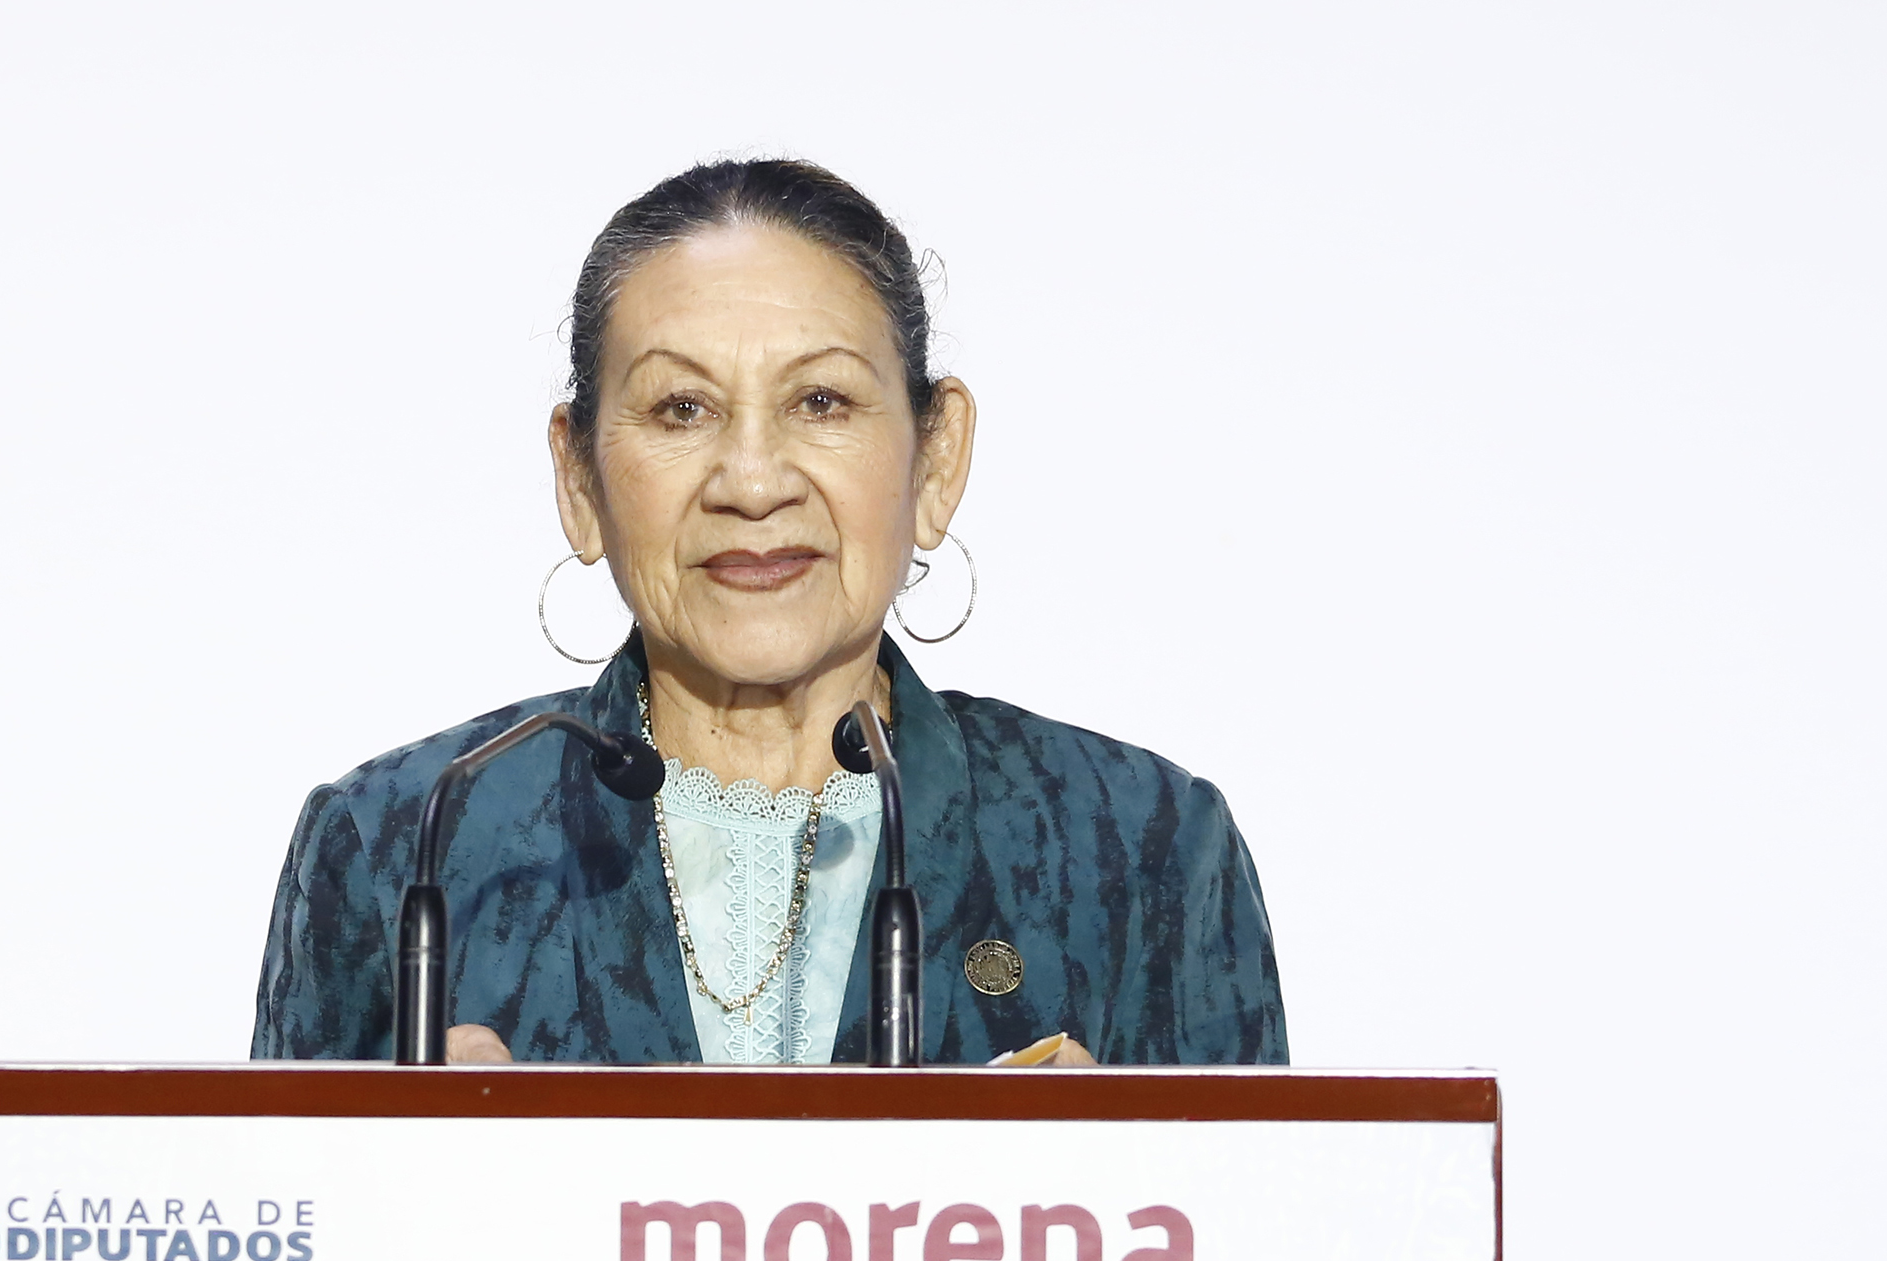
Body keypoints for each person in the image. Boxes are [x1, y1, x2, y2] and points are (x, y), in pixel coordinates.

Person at [252, 160, 1285, 1067]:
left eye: (821, 402)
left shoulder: (1142, 849)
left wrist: (1110, 1190)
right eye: (681, 409)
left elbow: (1252, 1228)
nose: (752, 482)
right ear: (578, 477)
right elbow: (283, 1223)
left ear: (935, 460)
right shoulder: (402, 845)